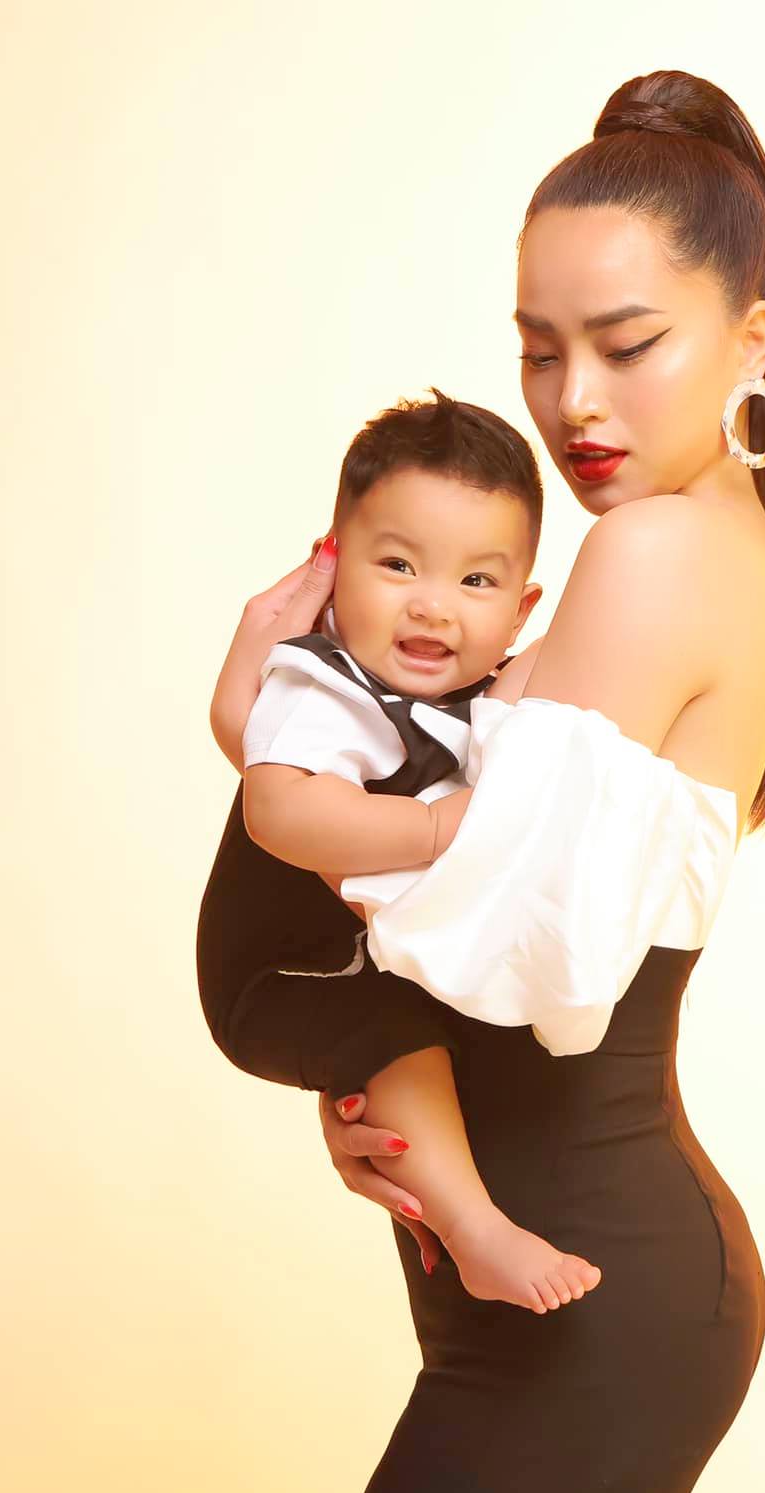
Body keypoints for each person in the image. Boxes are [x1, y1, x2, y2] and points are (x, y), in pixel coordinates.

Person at [200, 67, 765, 1493]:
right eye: (538, 351)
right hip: (575, 1289)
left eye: (627, 346)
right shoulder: (703, 539)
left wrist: (262, 737)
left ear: (751, 340)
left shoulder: (651, 552)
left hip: (589, 1304)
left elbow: (493, 946)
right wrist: (374, 1080)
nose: (574, 403)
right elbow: (460, 914)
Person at [227, 386, 610, 1314]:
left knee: (411, 1033)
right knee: (397, 1037)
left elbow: (566, 669)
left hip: (372, 959)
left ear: (520, 610)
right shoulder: (326, 686)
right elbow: (277, 806)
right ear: (334, 570)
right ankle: (476, 1232)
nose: (435, 608)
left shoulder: (473, 691)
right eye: (398, 565)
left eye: (477, 583)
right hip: (286, 970)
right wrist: (439, 827)